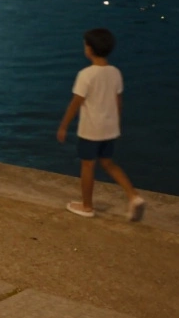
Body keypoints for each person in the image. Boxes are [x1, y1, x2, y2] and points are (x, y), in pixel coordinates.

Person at [56, 28, 146, 221]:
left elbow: (75, 104)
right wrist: (116, 123)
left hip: (91, 130)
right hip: (109, 128)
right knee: (108, 163)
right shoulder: (115, 73)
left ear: (89, 49)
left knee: (87, 166)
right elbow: (118, 102)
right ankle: (133, 196)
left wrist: (64, 125)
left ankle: (87, 206)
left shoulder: (86, 75)